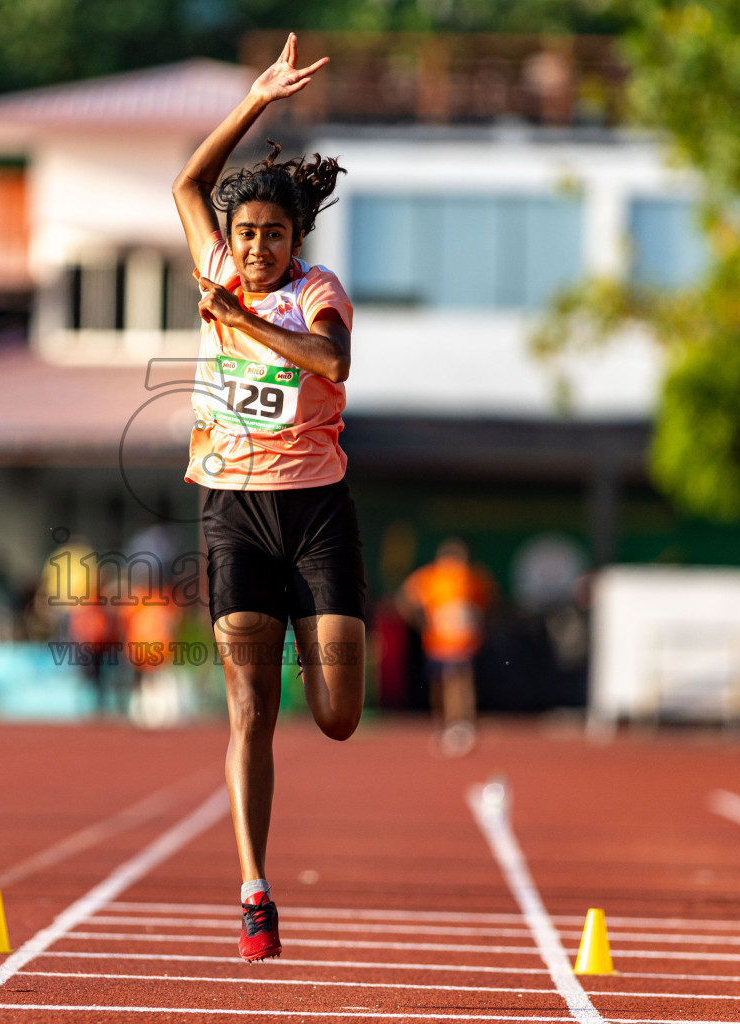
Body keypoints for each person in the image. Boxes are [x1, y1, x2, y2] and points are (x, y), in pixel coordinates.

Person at [172, 33, 365, 963]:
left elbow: (331, 363)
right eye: (243, 232)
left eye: (270, 234)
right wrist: (254, 101)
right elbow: (185, 187)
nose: (252, 247)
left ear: (295, 242)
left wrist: (247, 322)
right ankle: (254, 889)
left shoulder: (317, 293)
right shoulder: (213, 268)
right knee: (250, 711)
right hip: (234, 512)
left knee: (336, 718)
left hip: (317, 514)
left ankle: (310, 629)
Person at [399, 538, 493, 757]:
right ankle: (446, 726)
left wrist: (478, 622)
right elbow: (405, 601)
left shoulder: (473, 578)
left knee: (461, 683)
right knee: (442, 685)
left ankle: (462, 725)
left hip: (464, 643)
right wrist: (422, 624)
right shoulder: (431, 577)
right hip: (438, 643)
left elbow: (487, 602)